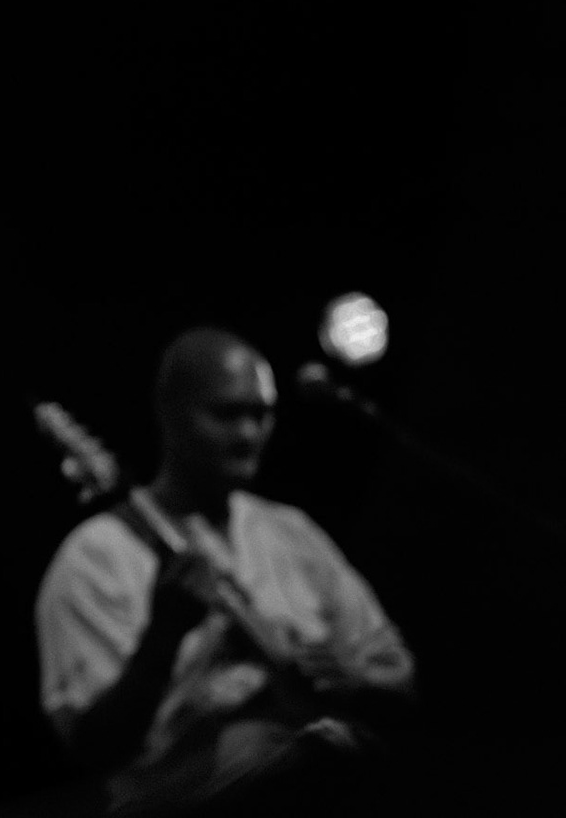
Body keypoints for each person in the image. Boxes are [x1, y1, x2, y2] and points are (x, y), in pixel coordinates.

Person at [33, 328, 416, 816]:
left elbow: (401, 679)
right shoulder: (93, 558)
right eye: (227, 414)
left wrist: (353, 681)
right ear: (169, 414)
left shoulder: (291, 532)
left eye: (262, 414)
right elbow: (91, 750)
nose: (248, 434)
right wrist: (161, 640)